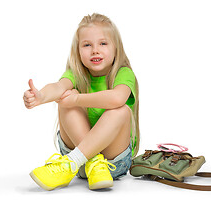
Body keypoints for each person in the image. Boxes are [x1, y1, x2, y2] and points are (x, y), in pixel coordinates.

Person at [23, 13, 139, 191]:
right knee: (65, 96)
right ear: (77, 50)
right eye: (87, 45)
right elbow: (58, 87)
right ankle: (88, 160)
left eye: (103, 43)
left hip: (112, 163)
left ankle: (73, 162)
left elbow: (117, 98)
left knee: (120, 109)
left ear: (116, 48)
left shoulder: (123, 73)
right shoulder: (76, 74)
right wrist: (42, 96)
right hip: (79, 160)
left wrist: (77, 99)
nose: (95, 50)